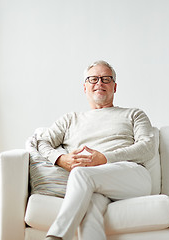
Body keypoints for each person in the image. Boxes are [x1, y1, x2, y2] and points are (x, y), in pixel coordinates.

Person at [38, 60, 155, 240]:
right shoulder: (70, 119)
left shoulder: (134, 114)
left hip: (131, 176)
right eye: (93, 79)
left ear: (114, 87)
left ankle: (57, 236)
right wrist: (60, 158)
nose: (99, 83)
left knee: (80, 173)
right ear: (85, 87)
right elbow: (42, 141)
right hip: (93, 184)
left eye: (106, 79)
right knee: (90, 208)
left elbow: (147, 148)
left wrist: (105, 158)